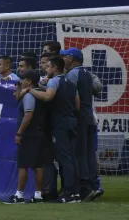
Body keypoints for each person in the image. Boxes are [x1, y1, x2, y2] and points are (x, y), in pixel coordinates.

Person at [24, 56, 80, 203]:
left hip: (60, 124)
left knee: (64, 158)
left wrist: (31, 90)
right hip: (72, 122)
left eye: (48, 66)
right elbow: (77, 104)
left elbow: (48, 97)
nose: (46, 69)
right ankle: (75, 192)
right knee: (72, 158)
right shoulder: (70, 82)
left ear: (55, 68)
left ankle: (68, 194)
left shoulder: (55, 81)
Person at [61, 47, 97, 201]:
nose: (62, 59)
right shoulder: (88, 74)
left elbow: (69, 96)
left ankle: (85, 188)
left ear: (71, 58)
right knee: (89, 154)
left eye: (64, 56)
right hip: (89, 116)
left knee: (79, 153)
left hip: (79, 118)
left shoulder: (72, 74)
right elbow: (98, 89)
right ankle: (93, 185)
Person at [6, 70, 46, 204]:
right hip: (40, 132)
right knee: (38, 165)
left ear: (29, 81)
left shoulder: (29, 96)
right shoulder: (40, 94)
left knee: (23, 164)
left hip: (29, 134)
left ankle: (19, 195)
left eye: (23, 79)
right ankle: (38, 195)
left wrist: (19, 133)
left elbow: (28, 114)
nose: (21, 81)